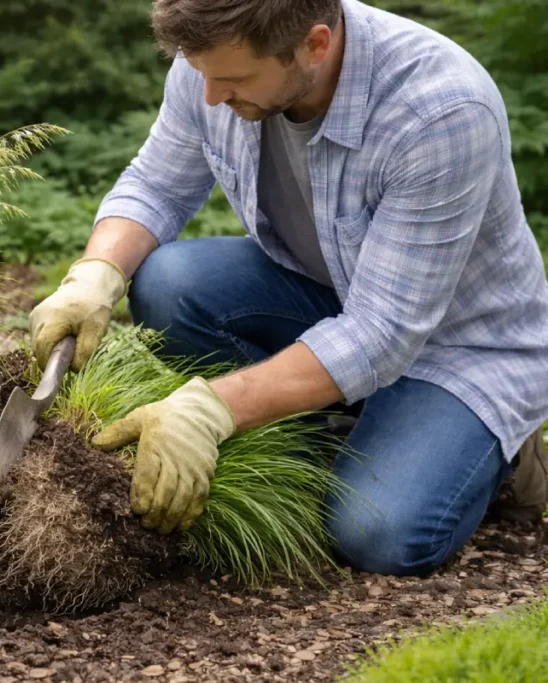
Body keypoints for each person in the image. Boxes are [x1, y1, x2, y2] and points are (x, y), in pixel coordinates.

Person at [29, 0, 548, 576]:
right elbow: (157, 186)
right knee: (170, 283)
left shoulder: (441, 111)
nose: (210, 96)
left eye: (233, 79)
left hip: (459, 348)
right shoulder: (215, 57)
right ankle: (326, 438)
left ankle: (502, 451)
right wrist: (95, 274)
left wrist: (210, 409)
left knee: (377, 532)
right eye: (202, 75)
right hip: (331, 294)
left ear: (315, 45)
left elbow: (383, 332)